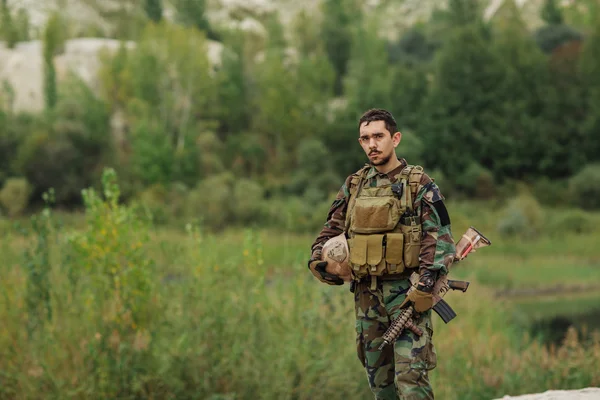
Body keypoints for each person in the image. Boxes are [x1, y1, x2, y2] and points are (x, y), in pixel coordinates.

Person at [308, 109, 456, 400]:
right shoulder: (355, 185)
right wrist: (318, 261)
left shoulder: (418, 183)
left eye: (379, 136)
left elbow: (440, 237)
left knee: (411, 380)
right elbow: (329, 231)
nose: (372, 144)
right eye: (365, 138)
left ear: (395, 138)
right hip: (366, 298)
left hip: (407, 295)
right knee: (380, 385)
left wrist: (426, 283)